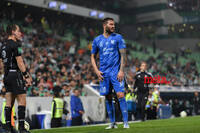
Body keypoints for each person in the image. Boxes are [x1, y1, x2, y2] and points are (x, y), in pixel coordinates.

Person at [91, 17, 129, 129]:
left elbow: (123, 55)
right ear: (104, 26)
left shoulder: (118, 37)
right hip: (104, 73)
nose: (113, 26)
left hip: (116, 72)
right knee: (107, 97)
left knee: (120, 95)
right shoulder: (97, 40)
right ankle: (112, 123)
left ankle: (125, 122)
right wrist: (96, 71)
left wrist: (121, 70)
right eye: (111, 24)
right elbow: (92, 56)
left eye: (114, 24)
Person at [0, 24, 32, 133]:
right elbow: (20, 61)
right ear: (13, 32)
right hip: (15, 74)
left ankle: (8, 128)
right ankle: (22, 128)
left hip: (7, 75)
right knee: (22, 101)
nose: (20, 33)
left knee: (9, 102)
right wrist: (26, 76)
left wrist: (5, 76)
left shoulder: (3, 45)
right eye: (18, 31)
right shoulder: (15, 44)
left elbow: (1, 64)